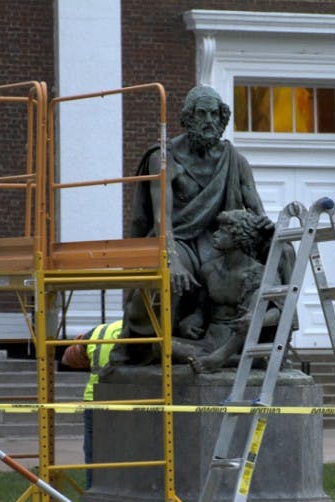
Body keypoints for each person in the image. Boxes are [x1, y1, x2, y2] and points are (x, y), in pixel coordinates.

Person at [118, 84, 278, 365]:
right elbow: (161, 217)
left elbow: (256, 211)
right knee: (174, 273)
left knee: (279, 252)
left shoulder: (235, 160)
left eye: (215, 114)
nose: (209, 121)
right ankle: (159, 347)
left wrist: (267, 226)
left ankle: (266, 342)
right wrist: (172, 258)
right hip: (176, 238)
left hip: (220, 237)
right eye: (202, 114)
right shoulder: (164, 158)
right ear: (188, 118)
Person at [171, 209, 280, 373]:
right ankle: (237, 361)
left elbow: (278, 311)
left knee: (251, 311)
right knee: (162, 346)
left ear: (239, 236)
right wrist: (192, 321)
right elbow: (202, 310)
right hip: (210, 340)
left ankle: (220, 359)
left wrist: (257, 319)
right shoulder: (208, 270)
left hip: (240, 341)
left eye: (222, 231)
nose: (215, 235)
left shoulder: (258, 273)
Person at [62, 319, 123, 489]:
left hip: (93, 398)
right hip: (127, 398)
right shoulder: (144, 332)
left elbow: (67, 359)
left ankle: (93, 491)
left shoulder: (99, 331)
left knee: (93, 452)